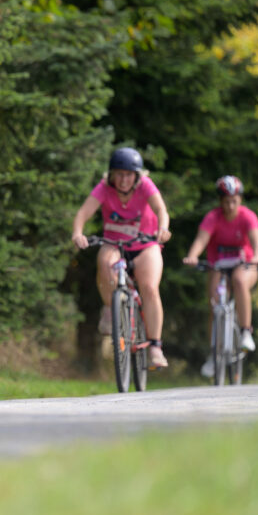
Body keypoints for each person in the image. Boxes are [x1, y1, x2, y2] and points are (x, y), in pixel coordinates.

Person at [71, 147, 173, 369]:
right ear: (112, 174)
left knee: (149, 287)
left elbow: (160, 210)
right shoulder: (104, 187)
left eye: (128, 175)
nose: (123, 179)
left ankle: (155, 346)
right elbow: (83, 213)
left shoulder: (145, 185)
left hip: (146, 244)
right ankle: (110, 308)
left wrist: (163, 228)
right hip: (115, 243)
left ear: (136, 176)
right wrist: (78, 233)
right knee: (104, 262)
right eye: (119, 174)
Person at [182, 176, 258, 377]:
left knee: (239, 281)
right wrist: (192, 256)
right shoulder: (213, 217)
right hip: (218, 265)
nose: (230, 205)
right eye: (226, 201)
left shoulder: (248, 217)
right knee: (215, 304)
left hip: (244, 264)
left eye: (234, 200)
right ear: (220, 201)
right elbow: (201, 240)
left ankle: (245, 331)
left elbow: (256, 242)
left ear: (240, 200)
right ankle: (214, 353)